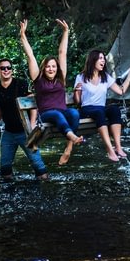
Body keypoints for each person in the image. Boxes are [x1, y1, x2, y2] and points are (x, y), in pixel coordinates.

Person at [19, 18, 83, 166]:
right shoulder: (38, 79)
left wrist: (66, 31)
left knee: (74, 113)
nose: (51, 69)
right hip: (47, 114)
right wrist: (23, 35)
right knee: (57, 114)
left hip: (62, 112)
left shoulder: (61, 79)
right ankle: (73, 138)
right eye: (48, 66)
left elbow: (62, 53)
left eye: (54, 66)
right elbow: (30, 56)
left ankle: (68, 148)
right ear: (43, 68)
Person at [0, 58, 49, 181]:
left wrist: (32, 124)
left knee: (40, 169)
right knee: (5, 170)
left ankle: (45, 192)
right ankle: (10, 195)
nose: (6, 70)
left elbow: (33, 104)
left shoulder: (21, 84)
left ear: (12, 70)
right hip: (8, 133)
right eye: (3, 68)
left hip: (25, 132)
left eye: (8, 68)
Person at [73, 50, 130, 162]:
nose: (103, 61)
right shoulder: (81, 77)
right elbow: (77, 102)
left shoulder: (105, 77)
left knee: (114, 109)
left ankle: (118, 147)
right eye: (100, 58)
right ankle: (110, 150)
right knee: (99, 113)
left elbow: (121, 91)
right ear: (92, 60)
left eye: (104, 58)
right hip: (87, 109)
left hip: (100, 108)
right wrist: (76, 91)